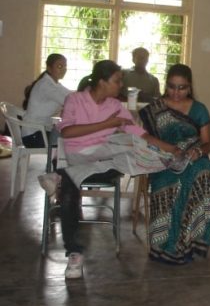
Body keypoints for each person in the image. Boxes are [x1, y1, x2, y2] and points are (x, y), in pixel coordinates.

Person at [38, 60, 181, 279]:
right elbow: (67, 132)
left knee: (132, 147)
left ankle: (58, 176)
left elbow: (139, 134)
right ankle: (74, 253)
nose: (121, 85)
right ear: (102, 82)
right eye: (117, 80)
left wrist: (170, 148)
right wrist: (107, 124)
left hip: (103, 160)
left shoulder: (115, 106)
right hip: (77, 156)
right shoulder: (75, 99)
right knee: (69, 192)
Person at [139, 64, 210, 264]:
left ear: (190, 87)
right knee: (170, 183)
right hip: (164, 159)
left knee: (202, 174)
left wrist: (198, 152)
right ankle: (167, 245)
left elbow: (208, 143)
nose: (176, 93)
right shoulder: (156, 109)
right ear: (166, 85)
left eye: (182, 88)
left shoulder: (199, 109)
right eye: (171, 87)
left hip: (194, 157)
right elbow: (143, 136)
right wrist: (170, 149)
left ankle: (192, 238)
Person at [21, 53, 71, 148]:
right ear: (49, 68)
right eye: (59, 66)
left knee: (71, 138)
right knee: (71, 141)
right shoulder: (46, 85)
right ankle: (56, 157)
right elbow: (70, 100)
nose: (64, 69)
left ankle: (57, 157)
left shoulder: (54, 84)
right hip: (33, 135)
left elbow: (71, 95)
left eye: (65, 66)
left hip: (41, 131)